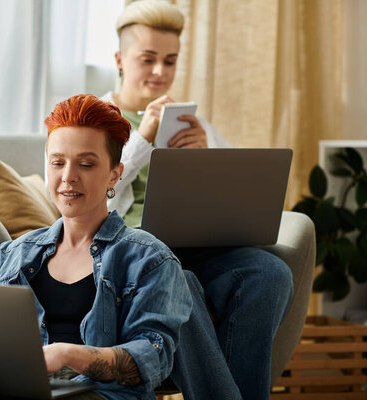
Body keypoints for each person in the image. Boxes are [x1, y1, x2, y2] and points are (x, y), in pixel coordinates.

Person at [0, 94, 201, 400]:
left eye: (86, 164)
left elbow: (153, 357)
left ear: (115, 173)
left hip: (97, 395)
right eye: (58, 162)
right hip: (11, 391)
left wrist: (69, 355)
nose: (68, 177)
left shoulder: (149, 258)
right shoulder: (9, 257)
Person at [102, 1, 294, 399]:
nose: (160, 73)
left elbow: (241, 193)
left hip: (196, 246)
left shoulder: (189, 123)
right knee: (179, 282)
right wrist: (142, 141)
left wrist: (206, 157)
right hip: (135, 250)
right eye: (148, 59)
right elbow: (93, 202)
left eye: (170, 61)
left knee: (270, 273)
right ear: (120, 59)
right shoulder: (96, 119)